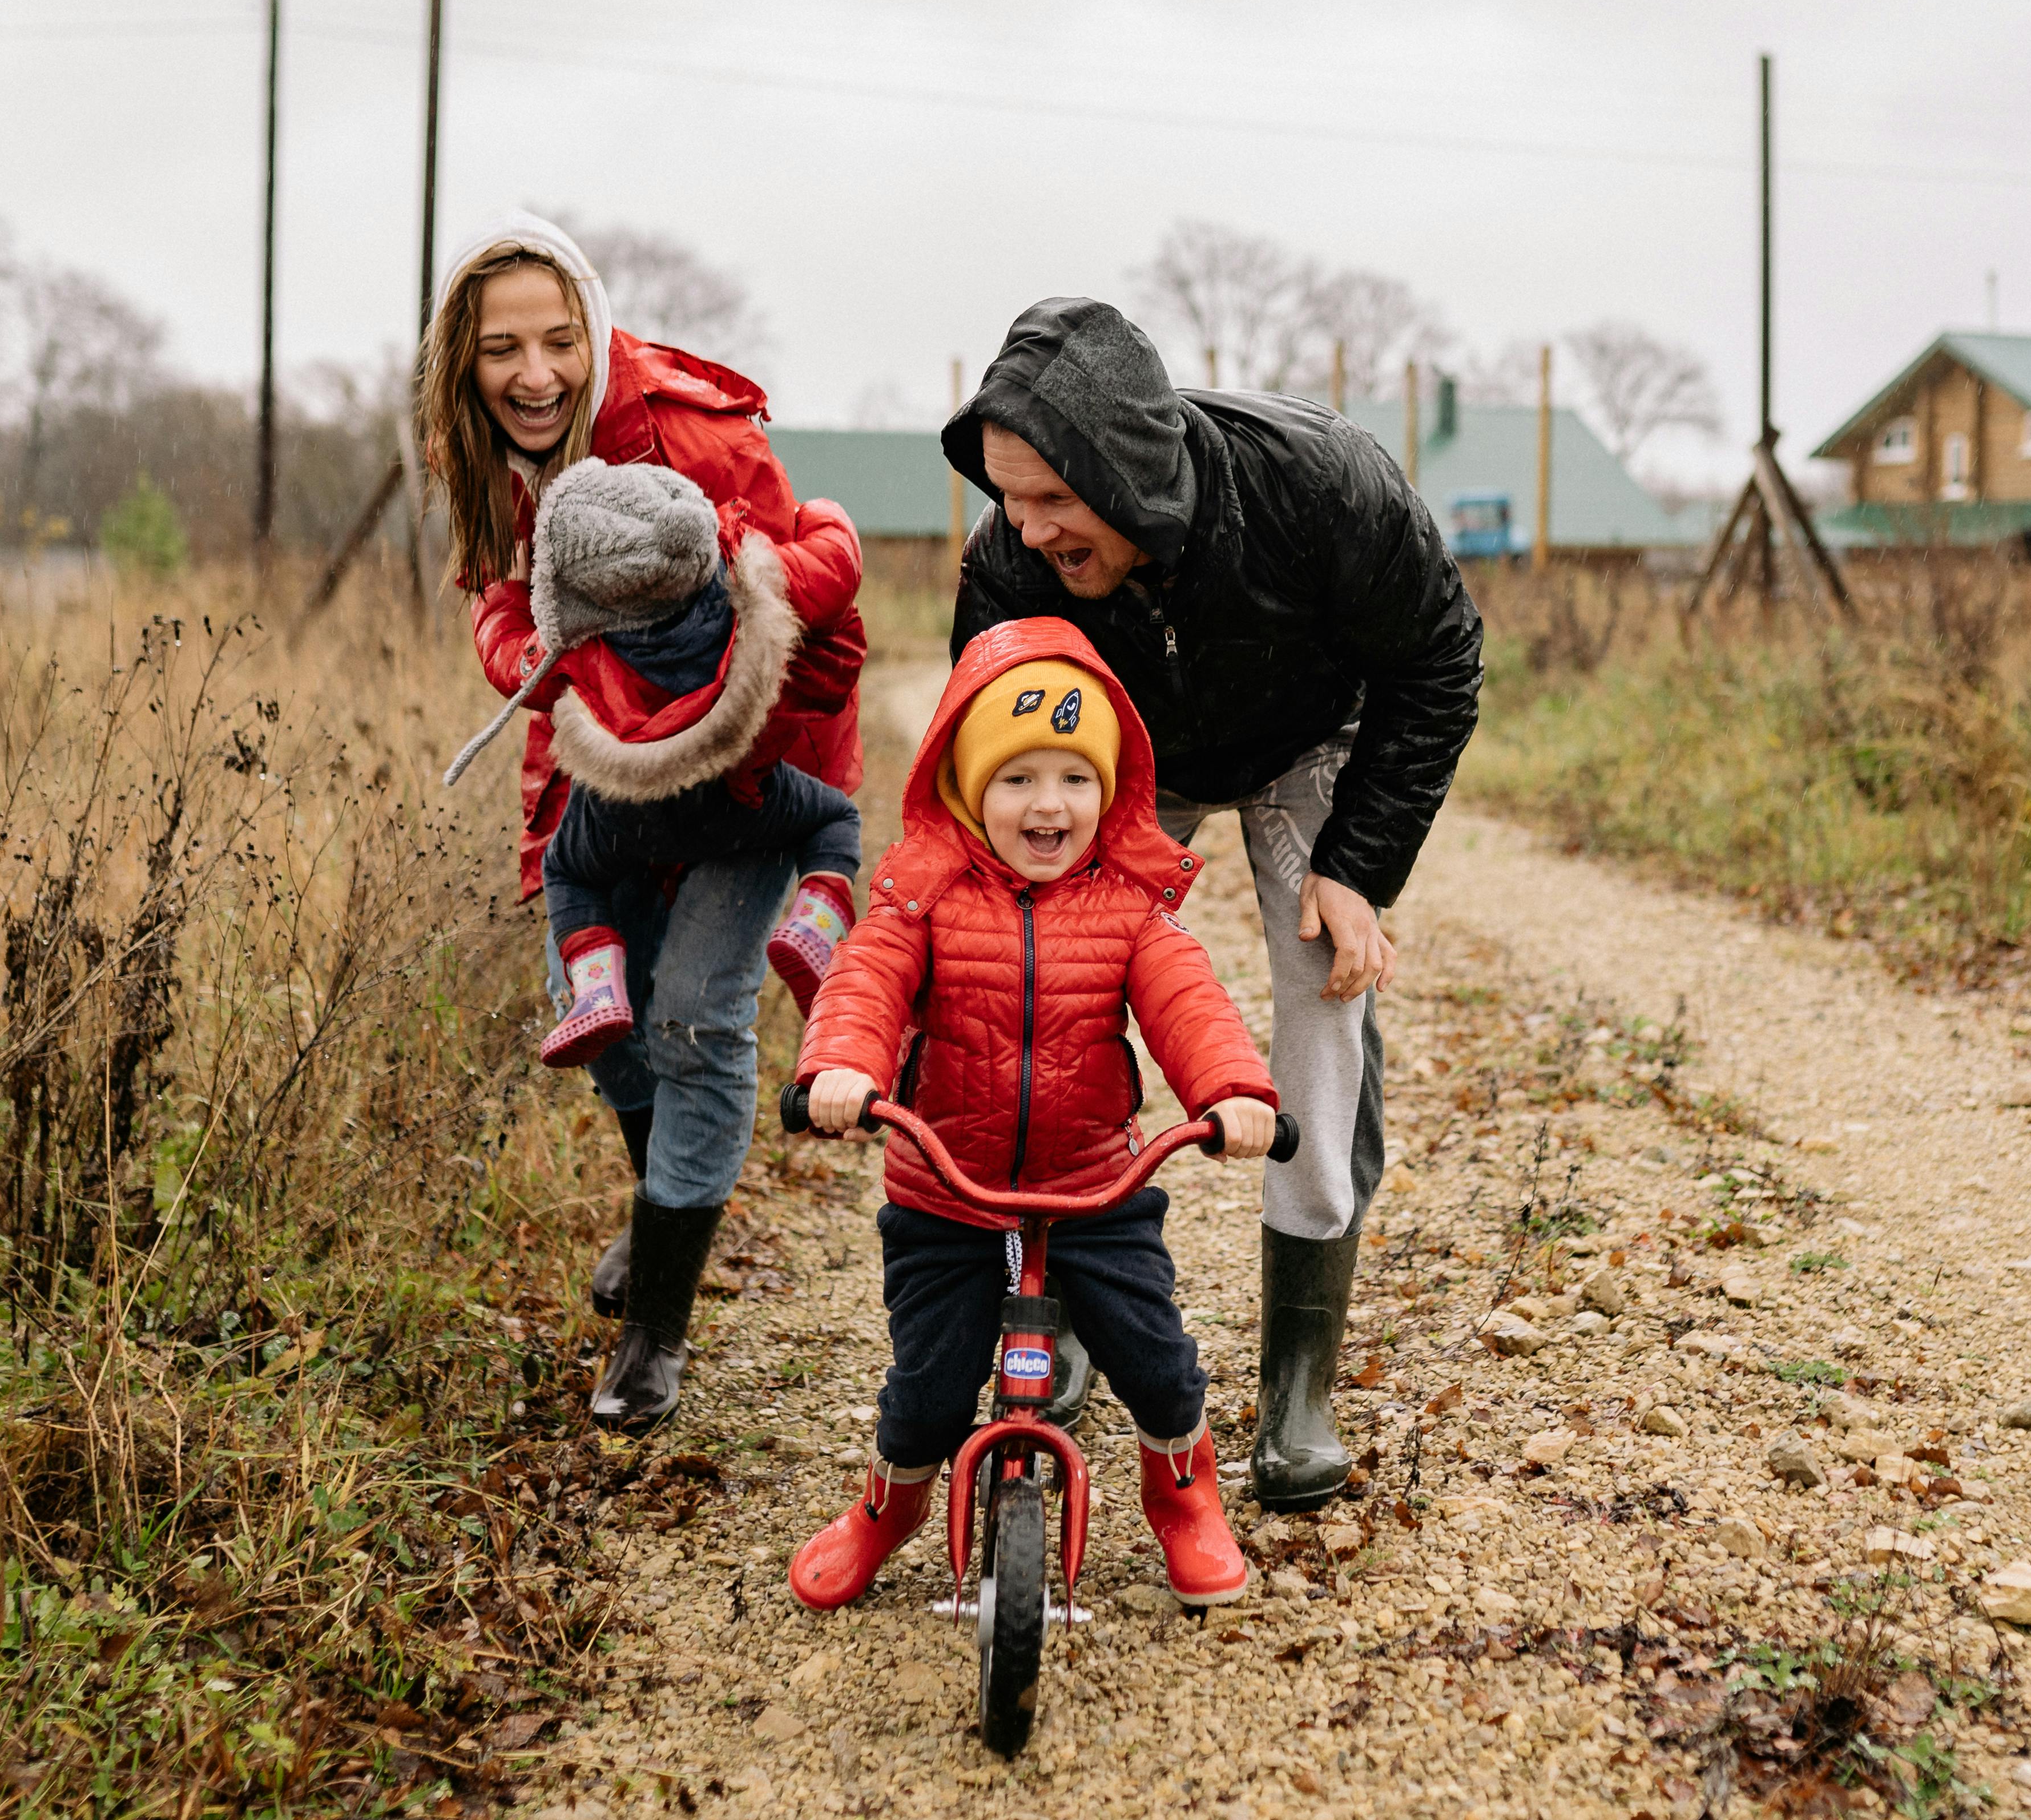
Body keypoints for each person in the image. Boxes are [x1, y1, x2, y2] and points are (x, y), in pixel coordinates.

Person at [942, 297, 1481, 1512]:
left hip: (1311, 734)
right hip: (1119, 753)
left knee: (1322, 1002)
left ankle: (1299, 1388)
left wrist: (1356, 866)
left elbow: (1436, 664)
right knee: (1053, 978)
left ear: (1122, 465)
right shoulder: (1007, 563)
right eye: (1007, 497)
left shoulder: (1325, 487)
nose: (1023, 529)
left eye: (1049, 499)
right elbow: (982, 744)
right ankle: (1058, 1294)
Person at [425, 211, 867, 1433]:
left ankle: (656, 1330)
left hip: (747, 774)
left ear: (596, 332)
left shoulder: (682, 433)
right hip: (597, 771)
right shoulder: (483, 456)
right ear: (461, 362)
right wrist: (535, 661)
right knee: (608, 1024)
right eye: (500, 347)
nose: (533, 373)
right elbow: (496, 602)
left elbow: (818, 619)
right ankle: (657, 1207)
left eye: (558, 340)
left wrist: (726, 760)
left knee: (690, 1012)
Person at [782, 618, 1279, 1611]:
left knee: (1160, 1363)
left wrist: (1231, 1092)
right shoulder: (921, 901)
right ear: (968, 787)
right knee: (926, 1388)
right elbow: (867, 984)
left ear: (1112, 790)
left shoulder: (1132, 910)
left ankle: (1183, 1498)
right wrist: (841, 1067)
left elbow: (1190, 1005)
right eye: (1017, 779)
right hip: (946, 1194)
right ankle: (891, 1508)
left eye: (1073, 778)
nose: (1049, 804)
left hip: (1097, 1188)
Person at [438, 455, 863, 1068]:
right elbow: (836, 565)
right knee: (835, 817)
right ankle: (816, 923)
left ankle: (598, 986)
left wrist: (500, 587)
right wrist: (817, 514)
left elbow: (506, 652)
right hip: (736, 800)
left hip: (620, 813)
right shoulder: (742, 591)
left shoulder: (575, 645)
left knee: (567, 871)